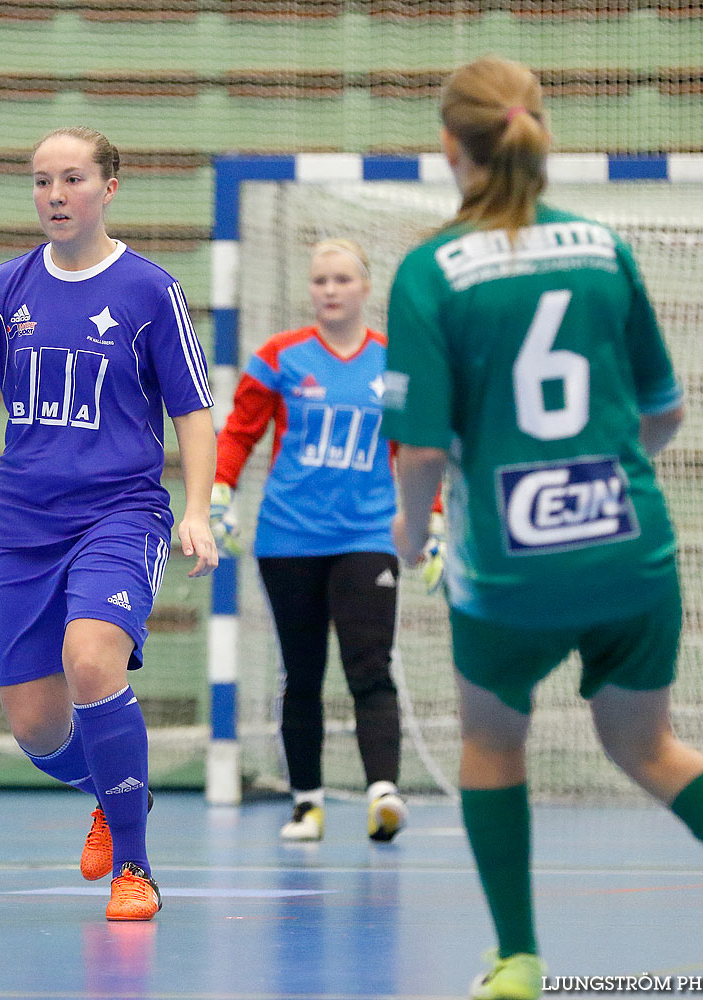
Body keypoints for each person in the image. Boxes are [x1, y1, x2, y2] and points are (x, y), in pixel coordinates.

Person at [381, 55, 703, 999]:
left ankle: (517, 961)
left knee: (492, 741)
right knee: (646, 746)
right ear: (537, 131)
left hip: (510, 569)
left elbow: (421, 453)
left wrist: (411, 540)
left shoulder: (429, 273)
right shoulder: (602, 247)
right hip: (634, 550)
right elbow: (664, 412)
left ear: (449, 147)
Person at [0, 126, 219, 922]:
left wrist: (197, 509)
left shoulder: (149, 291)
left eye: (72, 180)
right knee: (38, 730)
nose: (55, 196)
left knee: (91, 660)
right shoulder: (5, 288)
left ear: (109, 189)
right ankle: (117, 792)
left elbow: (193, 410)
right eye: (40, 181)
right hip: (23, 527)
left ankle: (135, 869)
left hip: (120, 515)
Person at [210, 239, 409, 844]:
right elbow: (240, 432)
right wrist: (220, 492)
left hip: (368, 534)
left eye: (342, 279)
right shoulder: (280, 357)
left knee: (369, 663)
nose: (330, 289)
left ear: (364, 288)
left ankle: (383, 794)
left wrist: (432, 520)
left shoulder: (396, 366)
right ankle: (307, 804)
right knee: (302, 672)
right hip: (288, 537)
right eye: (320, 279)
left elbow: (415, 446)